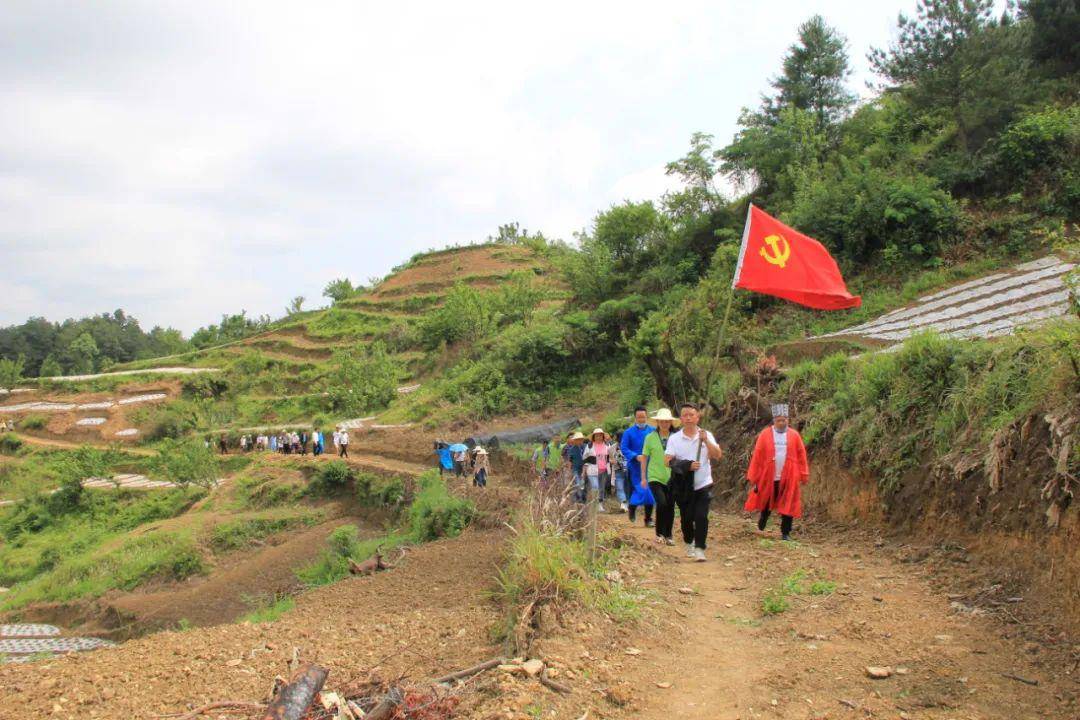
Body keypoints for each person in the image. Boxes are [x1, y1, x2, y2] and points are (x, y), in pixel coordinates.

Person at [665, 402, 722, 562]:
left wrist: (706, 442)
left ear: (698, 416)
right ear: (681, 418)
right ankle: (689, 541)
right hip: (684, 487)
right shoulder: (675, 438)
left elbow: (717, 455)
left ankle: (699, 548)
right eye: (685, 415)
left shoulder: (706, 434)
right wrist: (687, 465)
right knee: (687, 518)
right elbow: (667, 461)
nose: (688, 418)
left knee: (702, 516)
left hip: (704, 483)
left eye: (692, 414)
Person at [745, 404, 809, 541]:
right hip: (769, 476)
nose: (782, 422)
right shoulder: (765, 434)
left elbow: (801, 455)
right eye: (779, 420)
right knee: (767, 500)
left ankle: (785, 532)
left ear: (788, 420)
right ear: (774, 421)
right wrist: (754, 476)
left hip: (789, 476)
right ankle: (764, 516)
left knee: (789, 503)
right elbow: (758, 455)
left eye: (785, 419)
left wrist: (803, 474)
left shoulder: (794, 435)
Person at [642, 408, 676, 545]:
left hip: (672, 477)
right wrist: (643, 477)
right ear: (657, 422)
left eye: (667, 421)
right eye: (661, 421)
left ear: (670, 422)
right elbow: (644, 458)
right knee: (661, 503)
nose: (664, 423)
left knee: (670, 506)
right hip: (655, 476)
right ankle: (659, 533)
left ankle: (669, 535)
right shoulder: (650, 437)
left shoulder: (676, 437)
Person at [620, 407, 655, 525]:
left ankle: (648, 518)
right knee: (640, 490)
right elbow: (624, 448)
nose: (641, 419)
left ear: (647, 417)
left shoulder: (653, 431)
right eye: (639, 417)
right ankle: (632, 508)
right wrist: (635, 456)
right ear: (635, 418)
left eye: (643, 417)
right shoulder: (628, 432)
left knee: (650, 492)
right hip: (635, 467)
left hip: (651, 467)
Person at [582, 429, 610, 510]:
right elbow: (585, 459)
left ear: (603, 436)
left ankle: (599, 504)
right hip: (592, 470)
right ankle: (594, 503)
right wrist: (583, 472)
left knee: (601, 488)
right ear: (594, 436)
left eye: (600, 435)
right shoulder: (590, 445)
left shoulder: (607, 445)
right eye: (597, 435)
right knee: (595, 486)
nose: (599, 437)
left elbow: (610, 456)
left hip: (603, 470)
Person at [610, 435, 628, 512]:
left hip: (628, 470)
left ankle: (626, 504)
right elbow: (610, 458)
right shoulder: (611, 448)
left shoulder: (629, 445)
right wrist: (612, 461)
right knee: (620, 487)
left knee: (627, 488)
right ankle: (623, 503)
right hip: (618, 470)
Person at [566, 432, 586, 501]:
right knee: (578, 483)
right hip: (575, 469)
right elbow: (569, 461)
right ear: (575, 440)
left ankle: (582, 498)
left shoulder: (585, 448)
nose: (579, 441)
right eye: (578, 439)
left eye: (581, 439)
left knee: (583, 484)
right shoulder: (571, 450)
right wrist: (569, 471)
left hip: (584, 469)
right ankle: (579, 498)